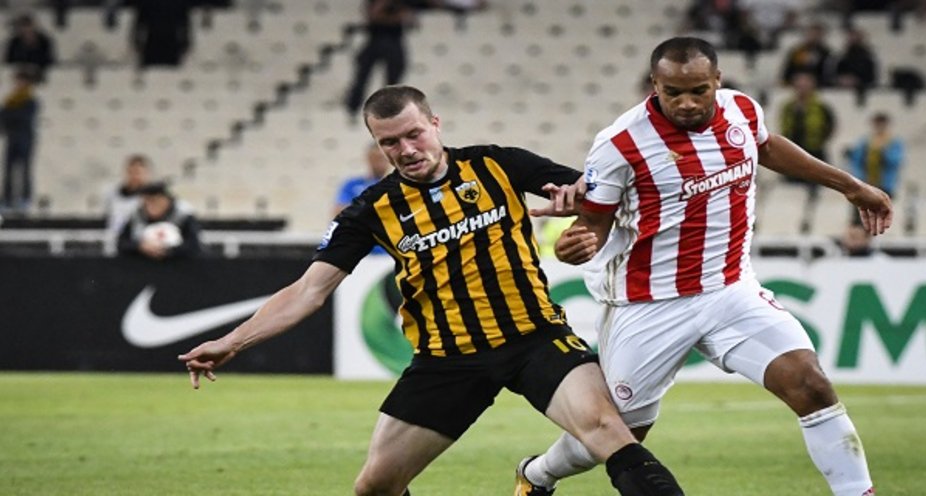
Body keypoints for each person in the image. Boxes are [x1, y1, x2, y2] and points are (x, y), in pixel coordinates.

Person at [178, 85, 685, 496]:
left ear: (435, 124)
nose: (406, 150)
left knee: (608, 433)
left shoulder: (498, 164)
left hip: (535, 337)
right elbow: (309, 290)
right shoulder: (369, 211)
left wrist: (586, 219)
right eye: (389, 143)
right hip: (447, 359)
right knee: (375, 486)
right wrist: (233, 341)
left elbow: (602, 198)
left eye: (413, 134)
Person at [516, 37, 890, 496]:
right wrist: (578, 244)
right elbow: (593, 222)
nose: (687, 103)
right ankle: (538, 475)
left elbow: (767, 147)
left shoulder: (742, 110)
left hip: (730, 290)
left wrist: (851, 186)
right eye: (673, 92)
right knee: (619, 434)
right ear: (654, 85)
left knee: (810, 385)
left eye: (698, 90)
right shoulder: (621, 143)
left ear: (717, 80)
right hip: (648, 305)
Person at [779, 71, 836, 199]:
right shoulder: (788, 107)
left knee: (816, 183)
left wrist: (819, 140)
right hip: (792, 152)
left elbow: (830, 126)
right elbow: (784, 126)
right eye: (799, 85)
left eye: (805, 85)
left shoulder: (821, 107)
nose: (802, 89)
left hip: (815, 151)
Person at [117, 182, 202, 260]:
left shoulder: (183, 215)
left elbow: (194, 246)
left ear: (166, 200)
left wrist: (168, 250)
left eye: (155, 200)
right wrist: (140, 247)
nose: (151, 205)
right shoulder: (136, 216)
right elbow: (122, 243)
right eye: (147, 201)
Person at [0, 69, 40, 214]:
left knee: (25, 169)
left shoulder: (30, 100)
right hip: (12, 137)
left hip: (25, 137)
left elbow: (22, 117)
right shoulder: (10, 100)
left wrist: (11, 116)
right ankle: (7, 199)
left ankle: (25, 199)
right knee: (8, 169)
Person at [333, 143, 391, 217]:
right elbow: (339, 211)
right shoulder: (352, 184)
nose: (380, 163)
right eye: (376, 159)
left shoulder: (395, 185)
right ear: (369, 159)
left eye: (383, 159)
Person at [105, 154, 153, 236]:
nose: (135, 176)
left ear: (146, 173)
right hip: (116, 236)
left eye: (138, 173)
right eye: (131, 172)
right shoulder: (113, 194)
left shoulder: (152, 197)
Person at [4, 14, 56, 82]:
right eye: (24, 27)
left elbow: (50, 60)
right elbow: (9, 61)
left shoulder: (44, 41)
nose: (27, 30)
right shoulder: (14, 42)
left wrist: (35, 67)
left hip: (40, 73)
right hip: (19, 74)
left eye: (28, 26)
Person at [781, 22, 833, 87]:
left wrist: (812, 81)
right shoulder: (797, 51)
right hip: (796, 83)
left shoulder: (827, 53)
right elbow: (789, 70)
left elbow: (827, 73)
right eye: (812, 34)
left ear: (822, 36)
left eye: (817, 34)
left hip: (818, 85)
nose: (814, 37)